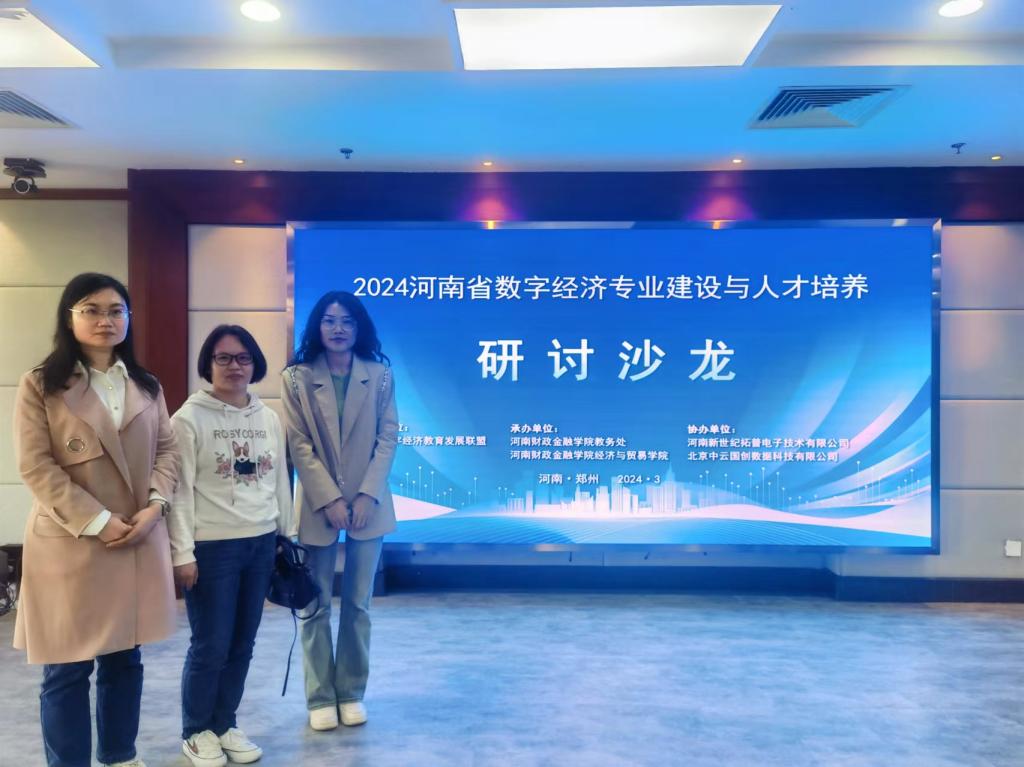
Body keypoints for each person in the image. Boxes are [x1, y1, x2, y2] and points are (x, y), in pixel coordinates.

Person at [12, 272, 180, 767]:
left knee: (124, 658)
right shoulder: (41, 384)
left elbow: (168, 451)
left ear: (129, 318)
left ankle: (120, 756)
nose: (105, 320)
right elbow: (36, 467)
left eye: (115, 310)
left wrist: (156, 506)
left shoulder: (146, 384)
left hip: (136, 536)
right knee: (66, 669)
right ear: (70, 319)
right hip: (73, 543)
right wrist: (98, 519)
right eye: (91, 310)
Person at [168, 325, 294, 767]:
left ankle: (224, 723)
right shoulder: (187, 420)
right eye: (223, 358)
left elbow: (279, 481)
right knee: (210, 645)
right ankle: (195, 731)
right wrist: (182, 553)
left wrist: (285, 535)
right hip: (212, 548)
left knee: (243, 643)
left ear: (254, 364)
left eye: (243, 358)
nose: (234, 366)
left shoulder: (268, 418)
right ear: (208, 364)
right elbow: (179, 492)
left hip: (260, 544)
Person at [281, 291, 398, 731]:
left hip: (371, 505)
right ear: (317, 326)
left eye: (347, 321)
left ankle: (351, 692)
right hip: (318, 505)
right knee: (314, 605)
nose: (338, 329)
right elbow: (298, 444)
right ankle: (319, 697)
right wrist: (329, 499)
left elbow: (388, 438)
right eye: (329, 320)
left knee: (358, 605)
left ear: (359, 327)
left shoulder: (380, 376)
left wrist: (367, 495)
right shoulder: (296, 378)